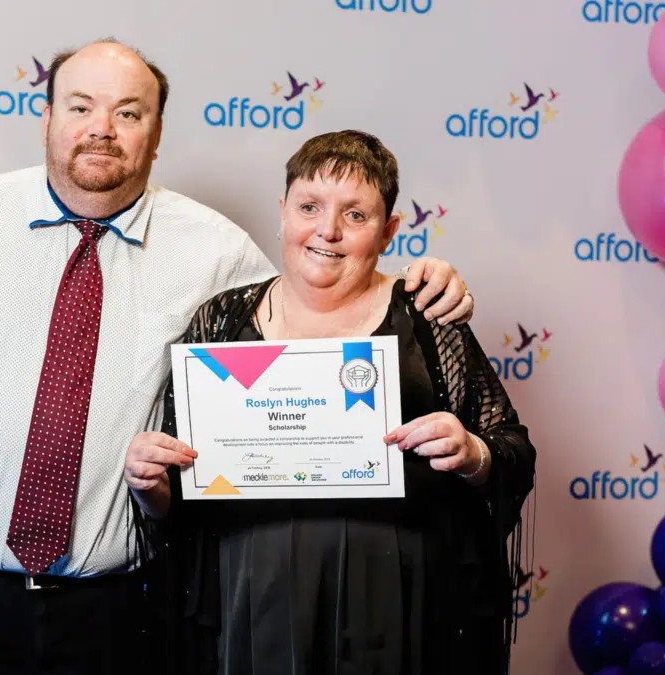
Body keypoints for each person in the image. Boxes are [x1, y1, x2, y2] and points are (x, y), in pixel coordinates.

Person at [0, 38, 475, 674]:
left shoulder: (215, 251)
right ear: (47, 118)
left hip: (119, 615)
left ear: (156, 132)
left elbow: (313, 317)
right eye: (80, 106)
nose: (101, 129)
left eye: (128, 112)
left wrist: (413, 286)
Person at [125, 130, 537, 675]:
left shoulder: (426, 315)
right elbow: (178, 494)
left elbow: (511, 449)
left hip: (400, 595)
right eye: (309, 206)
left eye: (356, 215)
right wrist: (151, 485)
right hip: (253, 595)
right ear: (282, 212)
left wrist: (472, 454)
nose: (328, 230)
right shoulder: (220, 320)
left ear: (388, 232)